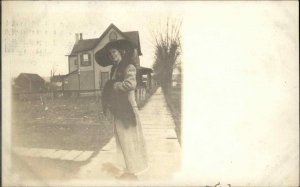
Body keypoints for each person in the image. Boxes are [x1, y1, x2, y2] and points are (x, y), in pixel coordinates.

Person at [95, 39, 148, 180]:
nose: (113, 56)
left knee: (130, 141)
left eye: (114, 52)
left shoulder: (128, 67)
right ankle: (127, 170)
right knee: (122, 142)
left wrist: (115, 86)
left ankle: (133, 173)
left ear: (121, 52)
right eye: (111, 54)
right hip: (119, 109)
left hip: (128, 109)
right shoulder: (115, 69)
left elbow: (130, 84)